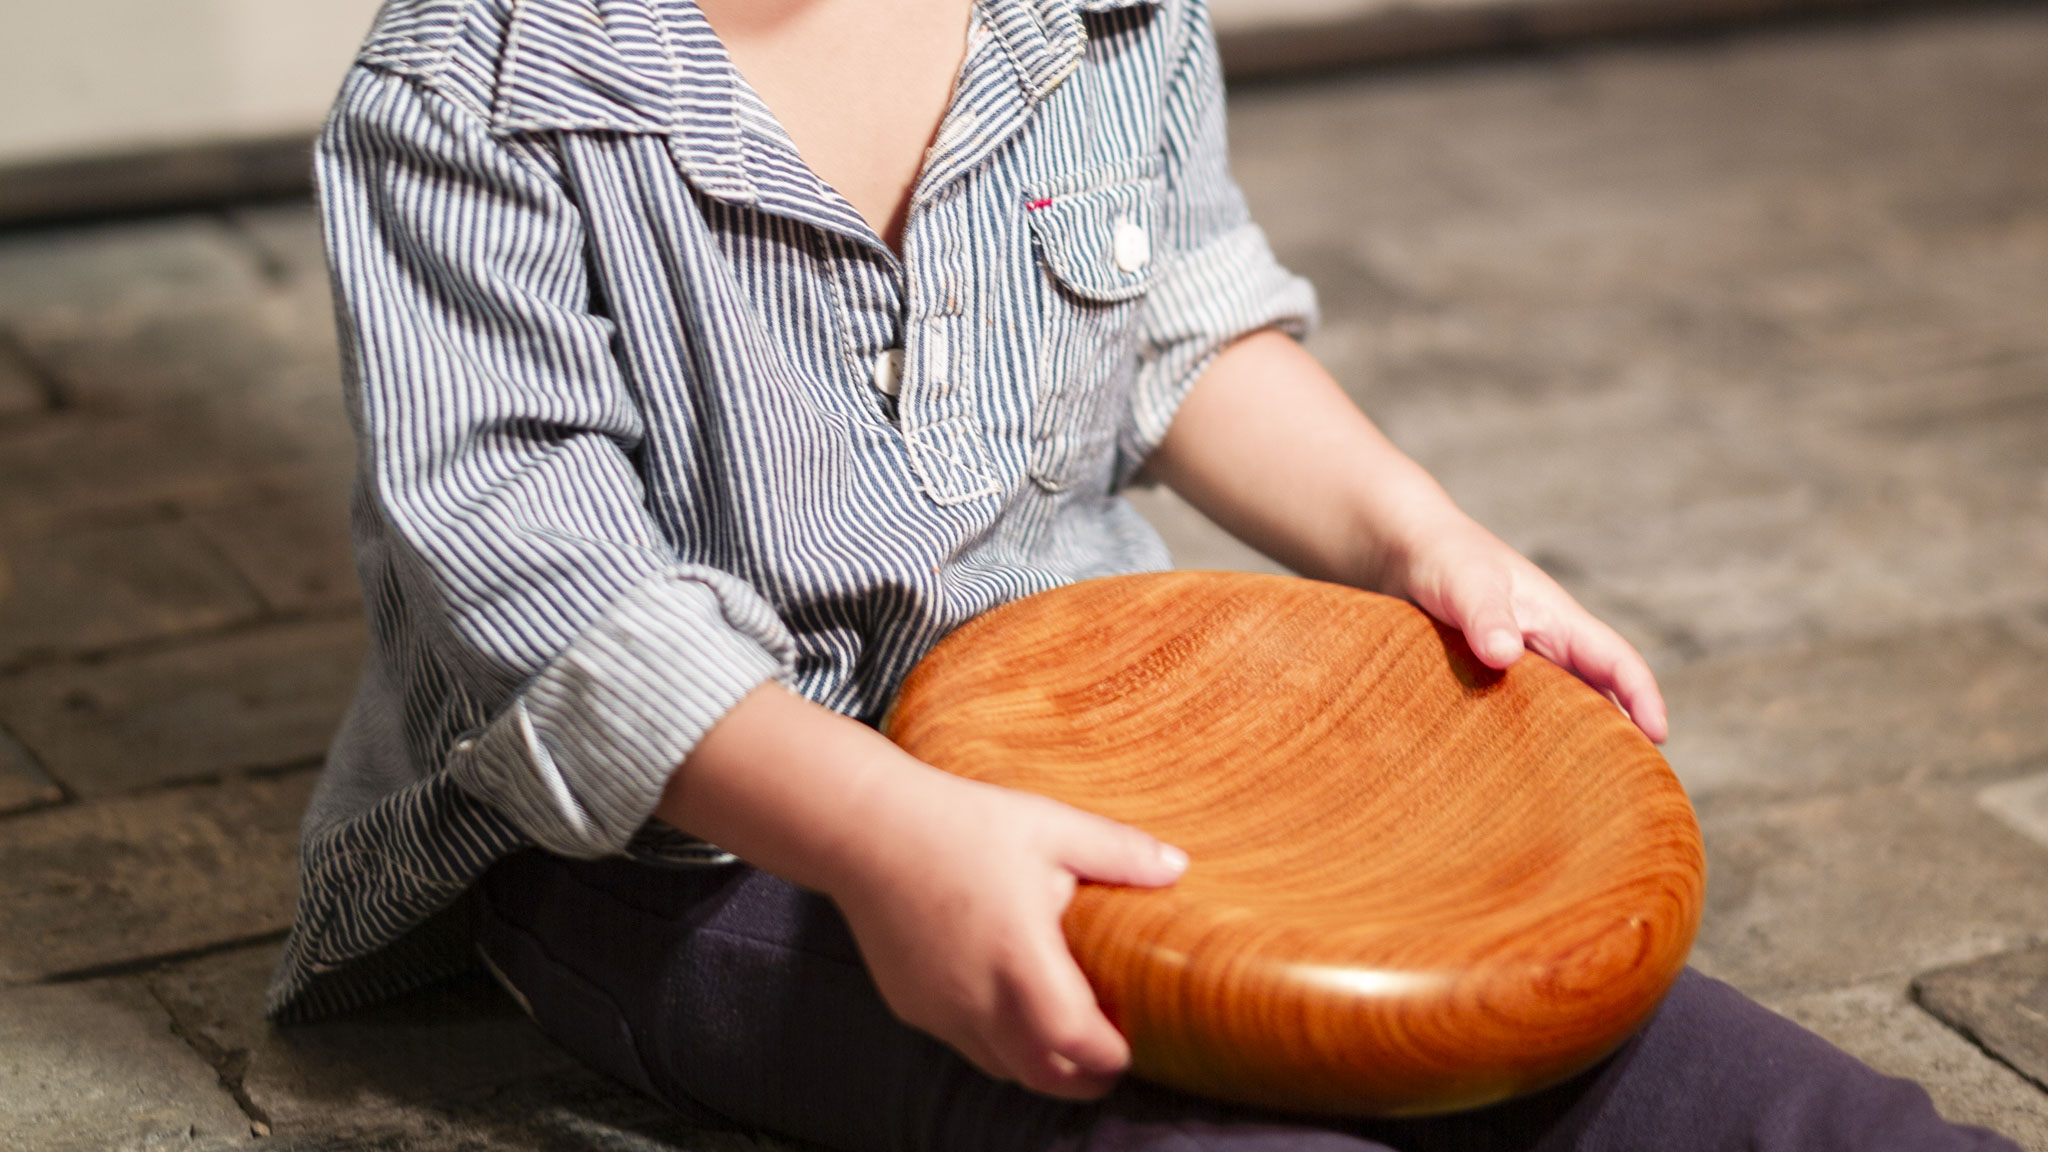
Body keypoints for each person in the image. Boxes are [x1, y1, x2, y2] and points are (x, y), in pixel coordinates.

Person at [269, 0, 2021, 1148]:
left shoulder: (1092, 14)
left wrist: (1426, 535)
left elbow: (1182, 330)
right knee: (1198, 1126)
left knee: (1641, 1062)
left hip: (1103, 734)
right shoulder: (463, 107)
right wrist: (887, 837)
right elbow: (556, 599)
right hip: (696, 851)